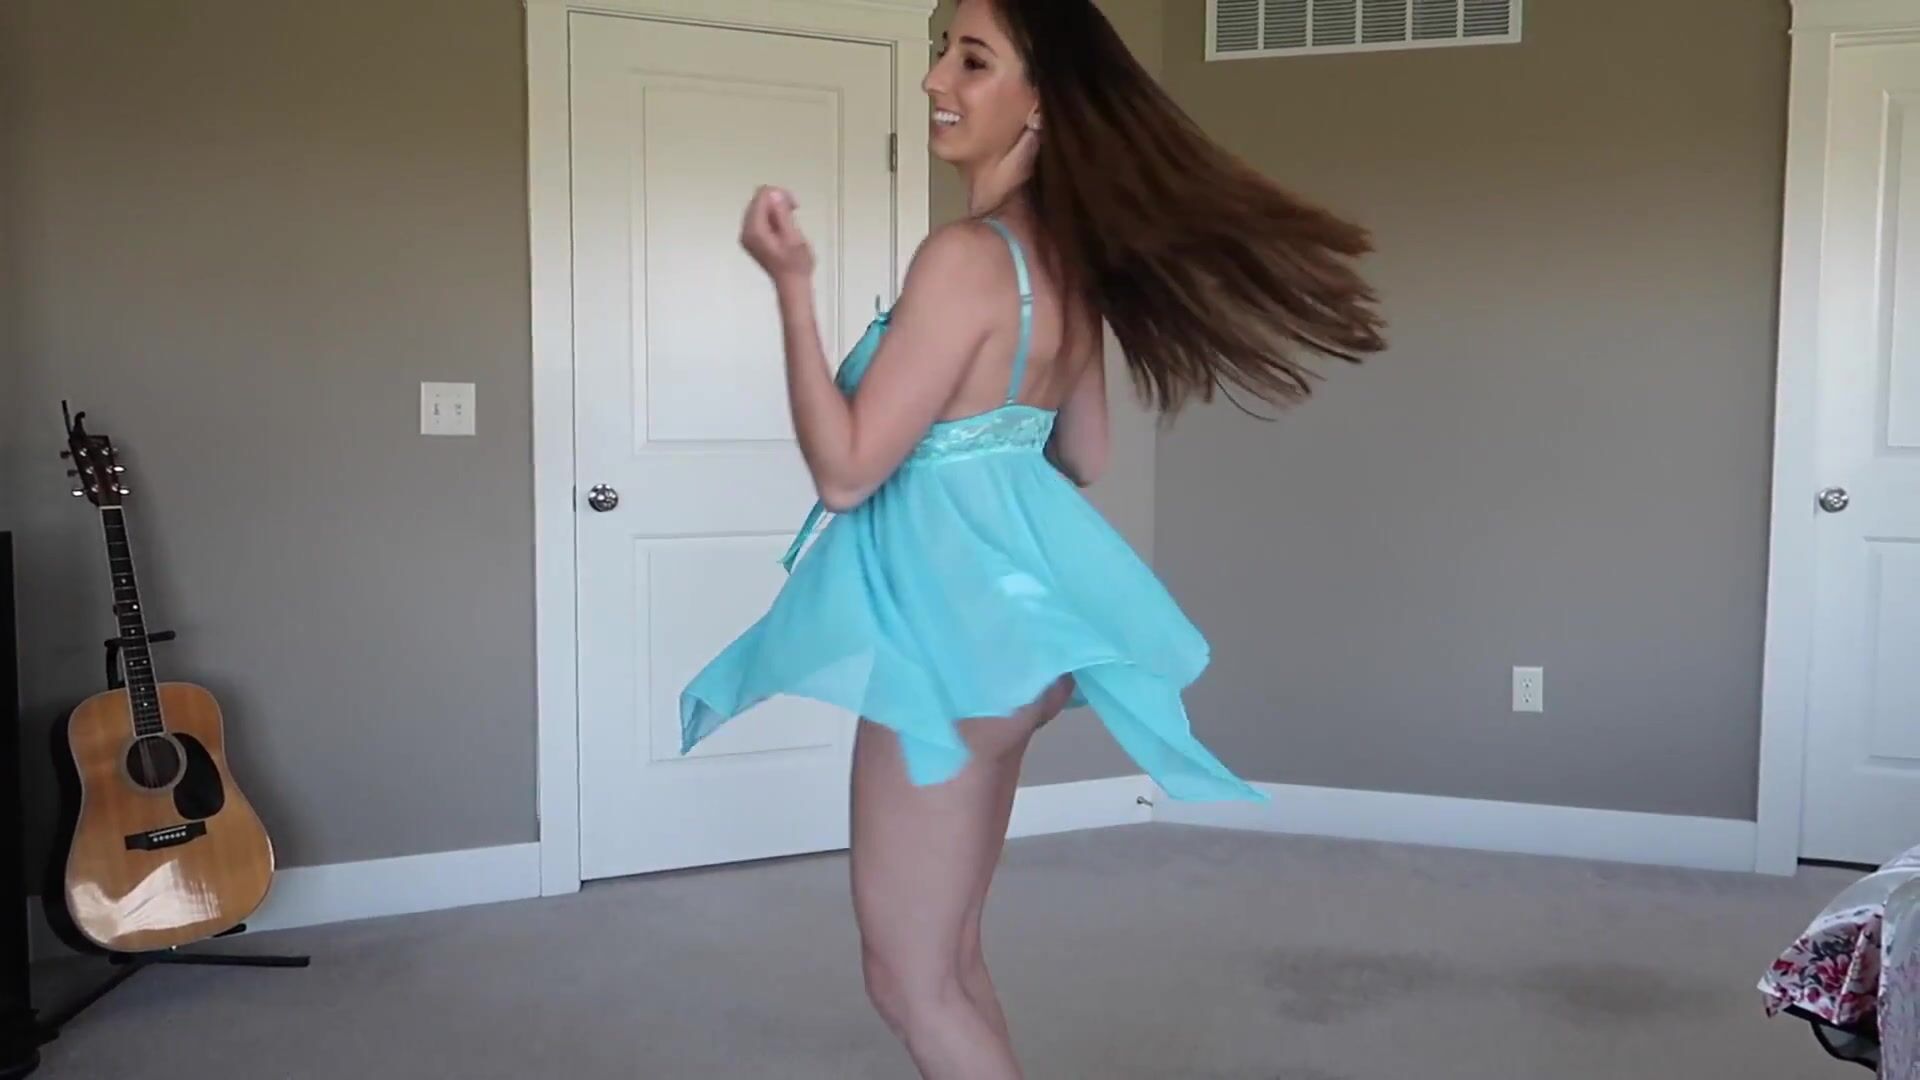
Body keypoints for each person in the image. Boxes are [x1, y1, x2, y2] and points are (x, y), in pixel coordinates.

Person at [680, 1, 1385, 1075]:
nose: (936, 80)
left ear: (1042, 101)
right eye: (940, 54)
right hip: (1017, 647)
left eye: (973, 60)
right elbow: (1084, 453)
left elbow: (847, 471)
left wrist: (792, 292)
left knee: (910, 981)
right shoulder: (1061, 263)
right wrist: (975, 439)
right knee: (952, 957)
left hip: (949, 652)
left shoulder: (967, 257)